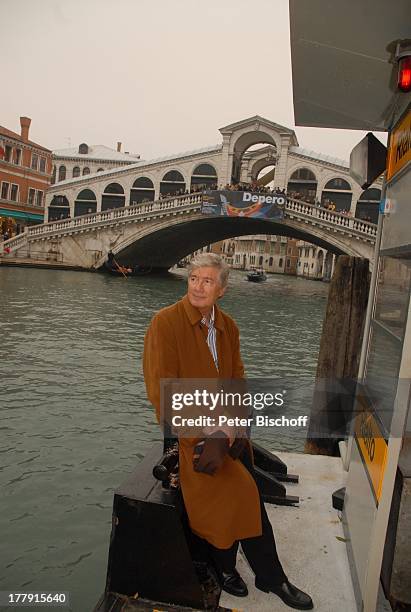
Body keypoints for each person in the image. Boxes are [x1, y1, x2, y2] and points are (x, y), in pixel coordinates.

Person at [143, 253, 313, 609]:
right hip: (192, 435)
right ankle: (269, 577)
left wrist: (232, 425)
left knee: (240, 494)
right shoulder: (165, 323)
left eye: (207, 281)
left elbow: (237, 380)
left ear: (222, 289)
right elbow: (162, 391)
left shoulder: (228, 327)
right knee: (242, 494)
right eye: (193, 279)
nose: (198, 287)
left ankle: (233, 571)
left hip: (229, 433)